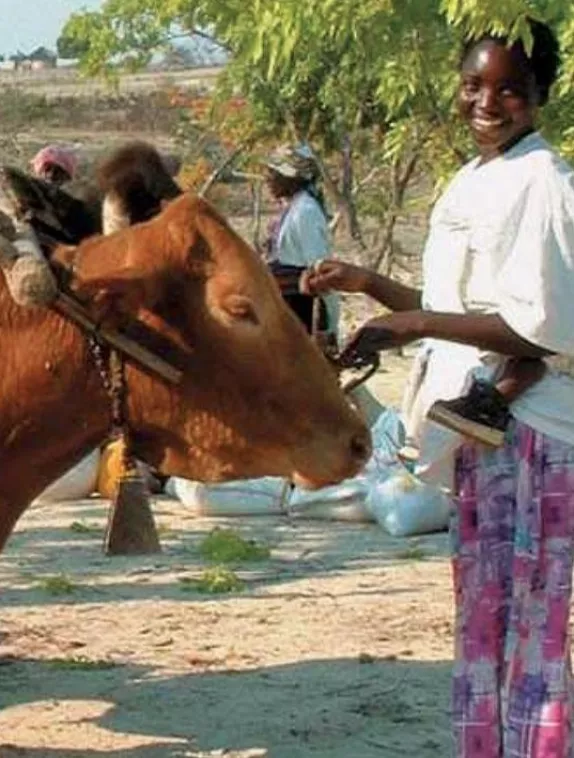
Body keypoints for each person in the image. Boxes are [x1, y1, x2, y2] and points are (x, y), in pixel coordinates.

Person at [302, 18, 574, 756]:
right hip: (477, 428)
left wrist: (415, 321)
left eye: (509, 90)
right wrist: (369, 285)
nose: (488, 102)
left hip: (532, 433)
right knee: (483, 618)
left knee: (531, 625)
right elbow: (460, 306)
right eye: (474, 86)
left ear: (540, 95)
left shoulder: (542, 182)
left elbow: (539, 330)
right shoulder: (478, 177)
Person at [262, 142, 339, 339]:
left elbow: (319, 270)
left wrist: (329, 327)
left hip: (301, 313)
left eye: (273, 173)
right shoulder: (294, 208)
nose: (267, 179)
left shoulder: (305, 211)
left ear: (291, 178)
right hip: (287, 310)